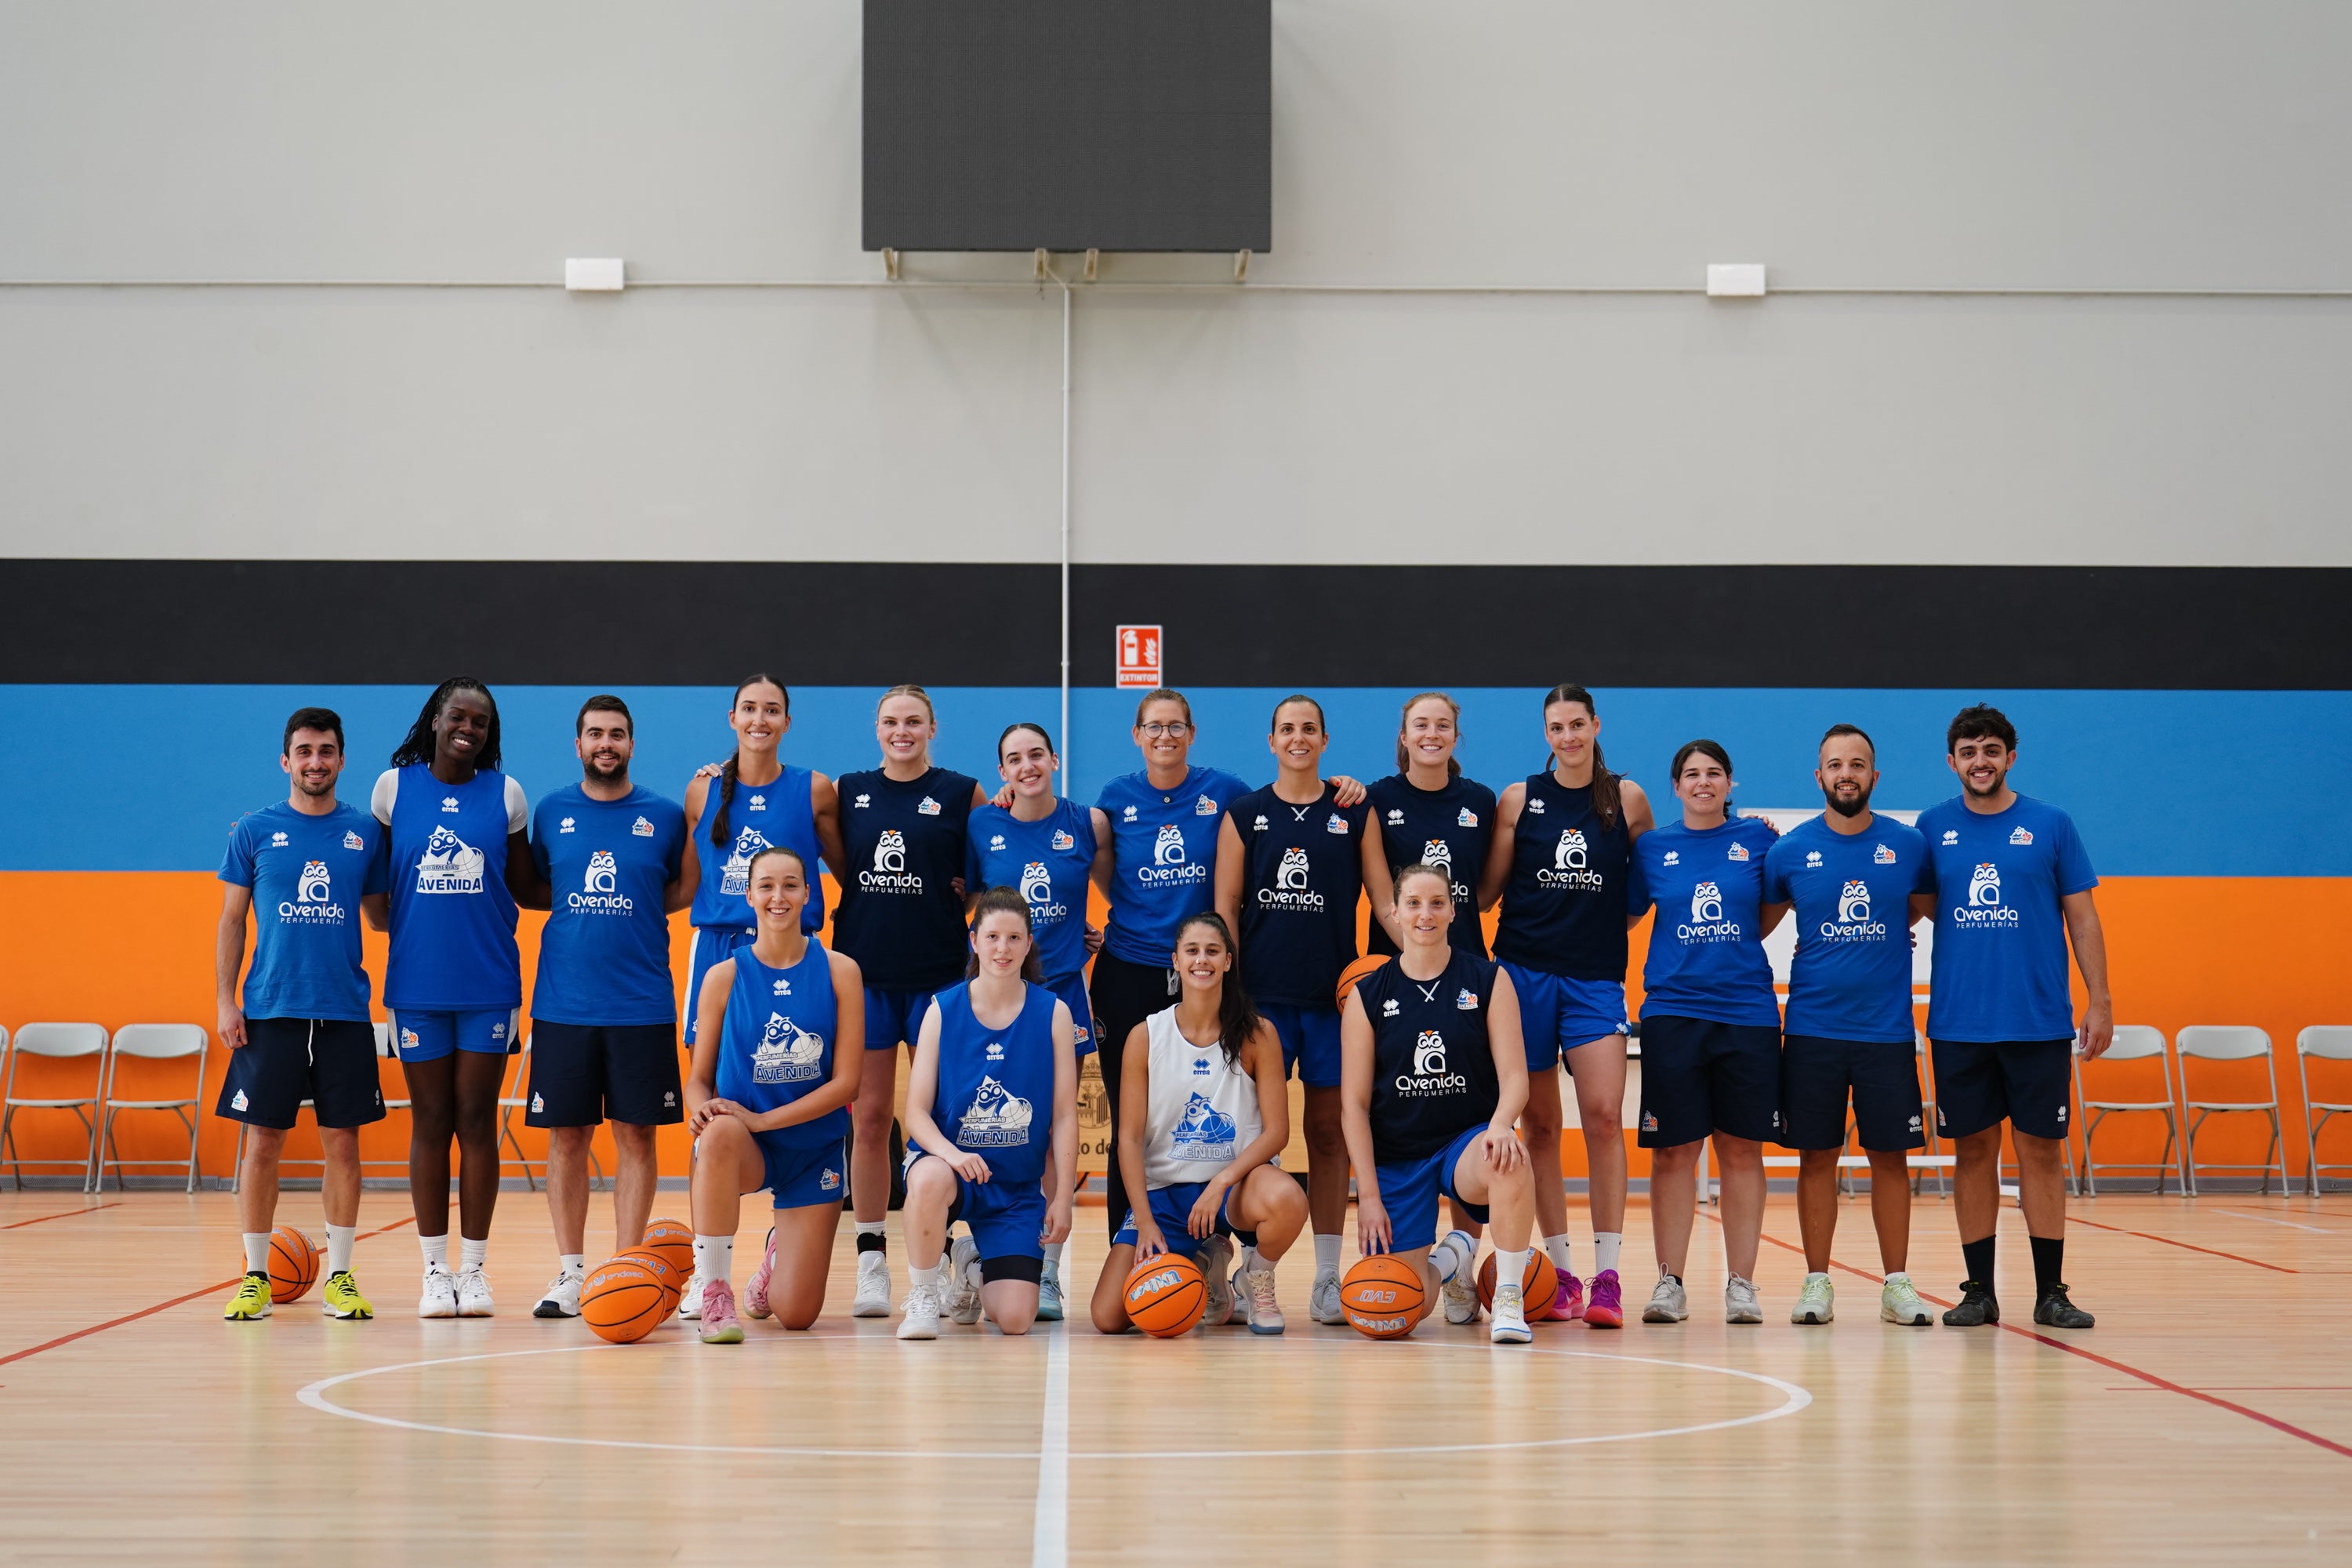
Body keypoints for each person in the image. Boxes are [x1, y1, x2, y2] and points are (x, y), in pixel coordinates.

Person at [1089, 691, 1361, 1262]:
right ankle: (1136, 1244)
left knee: (1228, 1117)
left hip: (1207, 974)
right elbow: (1103, 875)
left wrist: (1347, 786)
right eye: (1153, 727)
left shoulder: (1230, 794)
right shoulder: (1114, 799)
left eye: (1176, 727)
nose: (1165, 736)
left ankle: (1221, 1246)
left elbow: (1289, 804)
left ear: (1192, 732)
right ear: (1136, 735)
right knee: (1132, 1123)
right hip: (1132, 970)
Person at [1919, 704, 2110, 1330]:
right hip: (1958, 1024)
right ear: (1952, 762)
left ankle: (2051, 1291)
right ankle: (1979, 1291)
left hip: (2038, 1023)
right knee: (1973, 1153)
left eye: (1991, 750)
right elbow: (1905, 907)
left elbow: (2082, 918)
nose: (1981, 761)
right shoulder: (1930, 828)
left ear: (2010, 758)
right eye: (1969, 752)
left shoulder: (2051, 825)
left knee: (2041, 1152)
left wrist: (2100, 1000)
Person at [1479, 683, 1654, 1328]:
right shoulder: (1518, 800)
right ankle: (1562, 1274)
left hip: (1594, 978)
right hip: (1522, 973)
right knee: (1541, 1127)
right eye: (1556, 727)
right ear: (1545, 734)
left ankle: (1608, 1278)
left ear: (1595, 725)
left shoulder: (1627, 799)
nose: (1568, 736)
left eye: (1577, 724)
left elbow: (1643, 890)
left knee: (1606, 1116)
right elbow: (1490, 893)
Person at [215, 708, 390, 1321]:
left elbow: (381, 915)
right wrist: (225, 999)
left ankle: (340, 1276)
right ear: (286, 761)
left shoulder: (366, 833)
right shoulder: (255, 830)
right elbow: (233, 920)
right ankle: (254, 1276)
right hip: (269, 1010)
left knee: (342, 1146)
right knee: (262, 1144)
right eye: (305, 751)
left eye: (327, 751)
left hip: (344, 1010)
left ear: (342, 760)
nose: (316, 761)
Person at [521, 695, 691, 1319]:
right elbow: (542, 887)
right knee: (568, 1137)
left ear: (631, 744)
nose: (606, 744)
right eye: (595, 734)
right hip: (564, 1004)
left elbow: (678, 889)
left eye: (617, 735)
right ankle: (570, 1272)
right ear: (578, 744)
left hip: (642, 1002)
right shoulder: (552, 812)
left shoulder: (665, 816)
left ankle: (625, 1267)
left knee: (636, 1135)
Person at [1761, 724, 1936, 1327]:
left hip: (1886, 1031)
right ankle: (1817, 1283)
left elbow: (1923, 906)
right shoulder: (1788, 852)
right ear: (1820, 777)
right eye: (1835, 765)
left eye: (1857, 764)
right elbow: (1754, 924)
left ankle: (1897, 1283)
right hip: (1812, 1029)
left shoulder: (1909, 846)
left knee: (1892, 1159)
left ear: (1874, 776)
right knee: (1818, 1157)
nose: (1846, 774)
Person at [372, 678, 532, 1318]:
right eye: (458, 717)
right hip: (417, 987)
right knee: (431, 1119)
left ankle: (475, 1270)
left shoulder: (507, 794)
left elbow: (524, 886)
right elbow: (379, 898)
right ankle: (435, 1271)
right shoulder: (394, 788)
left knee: (477, 1117)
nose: (469, 729)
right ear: (435, 721)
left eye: (482, 722)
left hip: (489, 986)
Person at [832, 684, 989, 1317]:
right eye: (891, 721)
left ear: (933, 728)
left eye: (914, 722)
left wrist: (967, 898)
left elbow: (989, 865)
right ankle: (872, 1261)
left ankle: (946, 1251)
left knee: (942, 1124)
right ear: (877, 729)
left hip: (939, 980)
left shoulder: (963, 791)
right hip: (865, 977)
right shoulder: (847, 791)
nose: (903, 731)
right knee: (870, 1121)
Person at [1215, 695, 1372, 1326]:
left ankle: (1328, 1277)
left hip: (1334, 1001)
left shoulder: (1354, 813)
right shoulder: (1245, 814)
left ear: (1325, 741)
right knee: (1260, 1143)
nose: (1299, 738)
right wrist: (1228, 990)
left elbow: (1385, 902)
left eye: (1310, 729)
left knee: (1330, 1136)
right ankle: (1260, 1271)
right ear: (1272, 741)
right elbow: (1226, 905)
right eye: (1288, 729)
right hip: (1262, 1003)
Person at [1340, 864, 1539, 1345]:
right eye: (1413, 904)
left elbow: (1516, 1077)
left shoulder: (1489, 980)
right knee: (1397, 1312)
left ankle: (1509, 1298)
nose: (1425, 914)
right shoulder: (1368, 995)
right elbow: (1353, 1106)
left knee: (1509, 1157)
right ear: (1394, 912)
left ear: (1453, 909)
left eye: (1436, 903)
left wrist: (1500, 1125)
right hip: (1398, 1154)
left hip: (1463, 1143)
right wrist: (1367, 1194)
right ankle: (1452, 1258)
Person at [1624, 740, 1785, 1325]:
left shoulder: (1760, 841)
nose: (1702, 782)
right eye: (1691, 774)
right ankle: (1670, 1282)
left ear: (1729, 782)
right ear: (1676, 786)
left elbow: (1765, 917)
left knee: (1741, 1149)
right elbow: (1627, 915)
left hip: (1746, 1012)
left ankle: (1741, 1284)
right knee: (1673, 1152)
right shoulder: (1652, 849)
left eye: (1714, 773)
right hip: (1673, 1012)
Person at [1087, 912, 1305, 1336]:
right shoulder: (1146, 1036)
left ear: (1228, 960)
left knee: (1289, 1199)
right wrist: (1145, 1220)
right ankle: (1205, 1258)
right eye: (1192, 951)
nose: (1201, 960)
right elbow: (1129, 1140)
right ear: (1175, 960)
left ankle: (1254, 1276)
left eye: (1212, 951)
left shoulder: (1258, 1034)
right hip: (1166, 1197)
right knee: (1110, 1317)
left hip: (1233, 1189)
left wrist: (1221, 1183)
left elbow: (1278, 1132)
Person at [680, 845, 866, 1342]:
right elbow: (698, 1080)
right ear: (749, 894)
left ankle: (775, 1256)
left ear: (809, 893)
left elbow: (848, 1083)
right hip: (748, 1146)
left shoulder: (840, 971)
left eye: (790, 885)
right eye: (766, 885)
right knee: (717, 1133)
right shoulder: (723, 977)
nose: (778, 897)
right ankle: (715, 1288)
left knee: (796, 1314)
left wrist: (763, 1120)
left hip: (813, 1150)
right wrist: (702, 1112)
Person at [967, 721, 1109, 1320]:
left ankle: (1047, 1269)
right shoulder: (982, 823)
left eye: (1035, 755)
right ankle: (975, 1249)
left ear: (1054, 759)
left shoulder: (1088, 824)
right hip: (995, 994)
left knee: (1055, 1124)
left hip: (1062, 993)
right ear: (1001, 772)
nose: (1027, 766)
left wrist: (1095, 936)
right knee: (986, 1119)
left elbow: (1118, 891)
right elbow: (969, 900)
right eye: (1013, 760)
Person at [1364, 691, 1499, 1319]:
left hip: (1465, 977)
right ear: (1403, 733)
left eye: (1443, 725)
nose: (1432, 733)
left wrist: (1446, 964)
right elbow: (1378, 891)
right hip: (1400, 974)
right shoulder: (1373, 798)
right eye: (1421, 724)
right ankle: (1438, 1259)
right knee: (1407, 1105)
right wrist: (1418, 958)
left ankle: (1464, 1261)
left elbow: (1489, 888)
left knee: (1467, 1107)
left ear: (1456, 734)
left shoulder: (1480, 802)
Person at [895, 890, 1080, 1339]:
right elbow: (915, 1113)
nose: (1003, 948)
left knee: (1016, 1320)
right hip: (953, 1172)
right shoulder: (942, 1009)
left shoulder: (1054, 1013)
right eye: (993, 936)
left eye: (1014, 938)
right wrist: (952, 1155)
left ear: (1029, 943)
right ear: (974, 941)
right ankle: (922, 1295)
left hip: (1014, 1189)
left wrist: (1062, 1199)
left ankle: (972, 1265)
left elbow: (1063, 1117)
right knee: (929, 1177)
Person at [679, 675, 844, 1054]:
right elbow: (688, 886)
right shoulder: (701, 790)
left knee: (795, 1069)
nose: (759, 720)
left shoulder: (814, 789)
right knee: (710, 1075)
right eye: (750, 709)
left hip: (794, 948)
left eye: (772, 711)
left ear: (787, 722)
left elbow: (853, 875)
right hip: (718, 947)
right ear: (733, 717)